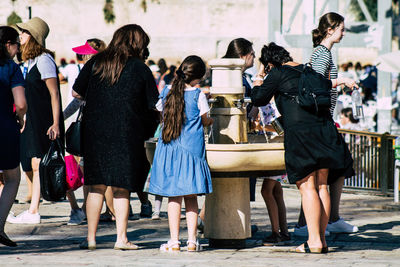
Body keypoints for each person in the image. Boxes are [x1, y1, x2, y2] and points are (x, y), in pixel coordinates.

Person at [251, 42, 355, 253]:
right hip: (325, 130)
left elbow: (258, 98)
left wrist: (259, 77)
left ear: (269, 63)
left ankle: (315, 241)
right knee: (322, 186)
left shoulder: (277, 72)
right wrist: (343, 80)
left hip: (301, 135)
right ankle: (321, 241)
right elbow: (328, 84)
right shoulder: (308, 69)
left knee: (307, 187)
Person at [72, 24, 159, 250]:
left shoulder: (96, 62)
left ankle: (90, 238)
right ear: (137, 44)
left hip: (96, 131)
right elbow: (153, 102)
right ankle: (121, 238)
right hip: (127, 131)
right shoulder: (140, 68)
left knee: (96, 186)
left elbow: (75, 91)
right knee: (122, 187)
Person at [294, 12, 359, 238]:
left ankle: (322, 223)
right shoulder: (322, 53)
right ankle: (318, 225)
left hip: (322, 120)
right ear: (330, 30)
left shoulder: (323, 53)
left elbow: (321, 85)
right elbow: (315, 83)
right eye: (341, 28)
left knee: (328, 173)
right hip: (320, 121)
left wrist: (338, 86)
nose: (344, 32)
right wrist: (341, 80)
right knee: (323, 176)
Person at [149, 55, 213, 252]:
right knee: (191, 197)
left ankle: (174, 241)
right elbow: (205, 120)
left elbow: (159, 110)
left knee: (173, 197)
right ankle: (192, 241)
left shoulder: (167, 90)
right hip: (191, 151)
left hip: (169, 149)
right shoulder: (198, 95)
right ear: (199, 77)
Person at [8, 17, 64, 224]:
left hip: (45, 119)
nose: (20, 35)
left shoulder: (44, 59)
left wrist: (56, 123)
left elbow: (54, 93)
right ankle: (75, 209)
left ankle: (33, 211)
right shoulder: (28, 61)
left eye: (25, 32)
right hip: (32, 119)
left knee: (39, 163)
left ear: (34, 36)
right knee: (37, 163)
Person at [62, 39, 106, 226]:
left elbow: (76, 95)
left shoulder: (93, 72)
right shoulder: (102, 71)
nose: (82, 58)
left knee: (89, 172)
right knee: (90, 171)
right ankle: (92, 210)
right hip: (98, 126)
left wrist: (61, 116)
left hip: (94, 127)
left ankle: (89, 211)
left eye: (84, 54)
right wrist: (62, 116)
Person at [0, 25, 27, 246]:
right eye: (17, 45)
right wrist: (20, 117)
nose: (18, 49)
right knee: (12, 178)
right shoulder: (11, 68)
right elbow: (20, 103)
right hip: (4, 127)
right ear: (8, 45)